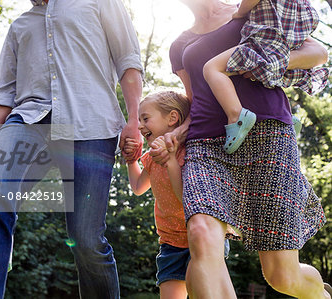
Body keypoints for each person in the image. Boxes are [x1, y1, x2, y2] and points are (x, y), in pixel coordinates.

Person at [0, 0, 143, 298]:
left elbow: (128, 61)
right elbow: (4, 95)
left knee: (86, 238)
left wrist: (133, 120)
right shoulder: (20, 26)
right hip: (28, 119)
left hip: (90, 122)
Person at [147, 0, 330, 298]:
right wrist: (178, 134)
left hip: (268, 136)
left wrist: (265, 62)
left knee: (282, 276)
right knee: (201, 233)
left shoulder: (252, 13)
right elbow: (193, 102)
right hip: (206, 145)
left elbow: (318, 53)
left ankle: (319, 294)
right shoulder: (180, 43)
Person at [202, 0, 329, 154]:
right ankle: (288, 118)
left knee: (212, 68)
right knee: (270, 77)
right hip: (284, 45)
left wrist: (240, 12)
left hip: (264, 42)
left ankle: (236, 115)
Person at [124, 90, 191, 299]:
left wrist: (171, 160)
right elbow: (137, 187)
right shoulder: (152, 158)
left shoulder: (188, 153)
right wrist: (131, 160)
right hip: (170, 243)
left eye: (146, 118)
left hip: (198, 240)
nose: (141, 126)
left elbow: (186, 199)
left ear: (172, 118)